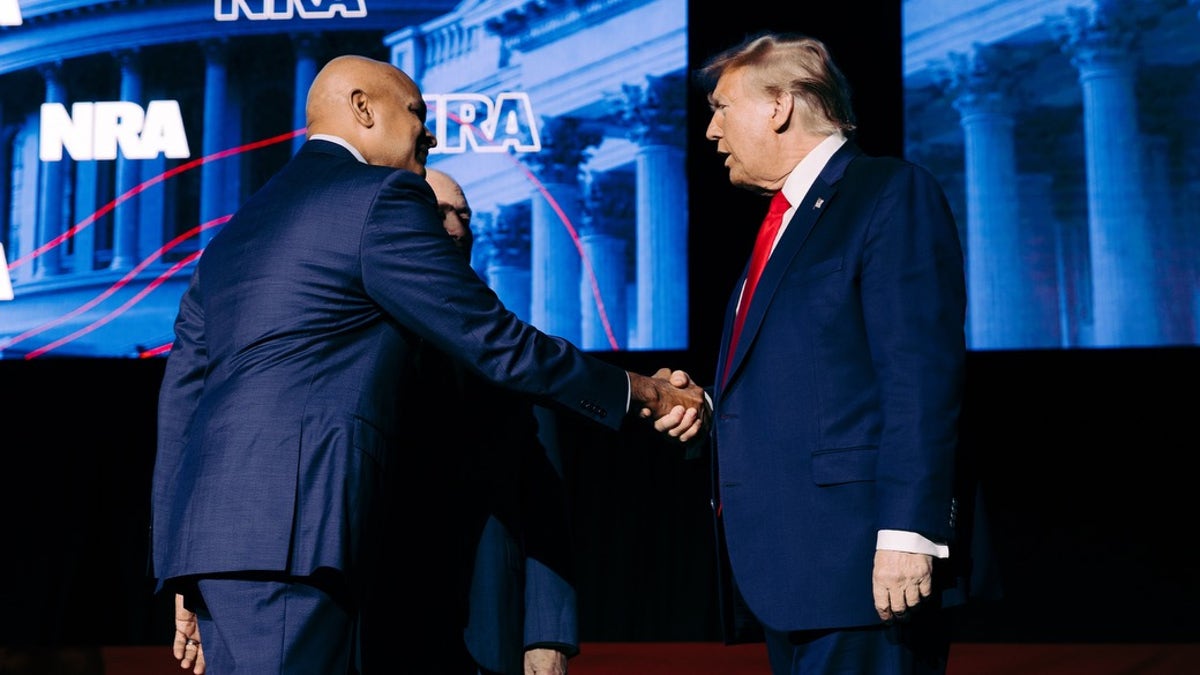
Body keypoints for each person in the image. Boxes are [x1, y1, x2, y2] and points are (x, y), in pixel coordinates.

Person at [151, 54, 706, 675]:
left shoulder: (233, 234)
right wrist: (644, 393)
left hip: (224, 544)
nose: (431, 134)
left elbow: (182, 404)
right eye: (416, 112)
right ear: (362, 108)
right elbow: (496, 343)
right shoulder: (382, 196)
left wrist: (181, 563)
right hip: (298, 539)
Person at [681, 31, 969, 673]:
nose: (711, 133)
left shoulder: (887, 193)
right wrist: (701, 404)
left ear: (780, 104)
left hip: (864, 568)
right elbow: (808, 378)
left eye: (721, 109)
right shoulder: (782, 222)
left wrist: (907, 533)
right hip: (794, 570)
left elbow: (919, 377)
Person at [363, 167, 579, 675]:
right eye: (439, 214)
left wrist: (548, 635)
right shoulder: (354, 338)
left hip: (486, 623)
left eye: (464, 215)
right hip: (371, 617)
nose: (458, 228)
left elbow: (544, 498)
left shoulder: (515, 347)